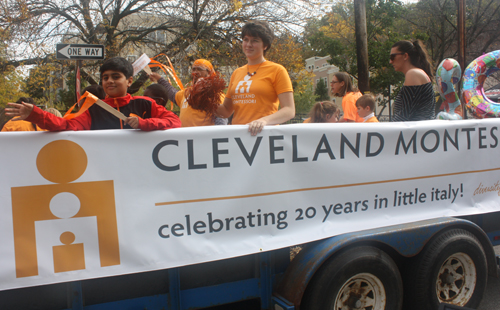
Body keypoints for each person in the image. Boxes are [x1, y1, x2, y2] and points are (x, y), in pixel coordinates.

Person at [5, 57, 181, 131]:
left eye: (115, 76)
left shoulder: (144, 104)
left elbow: (175, 122)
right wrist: (35, 114)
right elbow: (67, 126)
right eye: (105, 78)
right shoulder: (93, 109)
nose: (109, 81)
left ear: (129, 81)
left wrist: (144, 123)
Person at [216, 20, 295, 135]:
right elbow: (226, 111)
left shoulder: (277, 70)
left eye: (255, 41)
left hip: (264, 135)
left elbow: (289, 110)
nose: (248, 44)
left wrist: (263, 121)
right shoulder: (237, 73)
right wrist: (204, 101)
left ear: (265, 45)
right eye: (246, 40)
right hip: (238, 136)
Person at [149, 59, 227, 126]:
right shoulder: (187, 92)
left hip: (203, 141)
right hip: (185, 141)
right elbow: (172, 93)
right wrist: (159, 79)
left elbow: (221, 121)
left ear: (209, 73)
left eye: (199, 69)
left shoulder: (215, 95)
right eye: (193, 69)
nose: (195, 72)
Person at [389, 40, 435, 121]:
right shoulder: (416, 73)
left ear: (405, 56)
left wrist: (385, 131)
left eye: (393, 57)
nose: (390, 61)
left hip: (417, 131)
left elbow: (405, 115)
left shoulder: (413, 74)